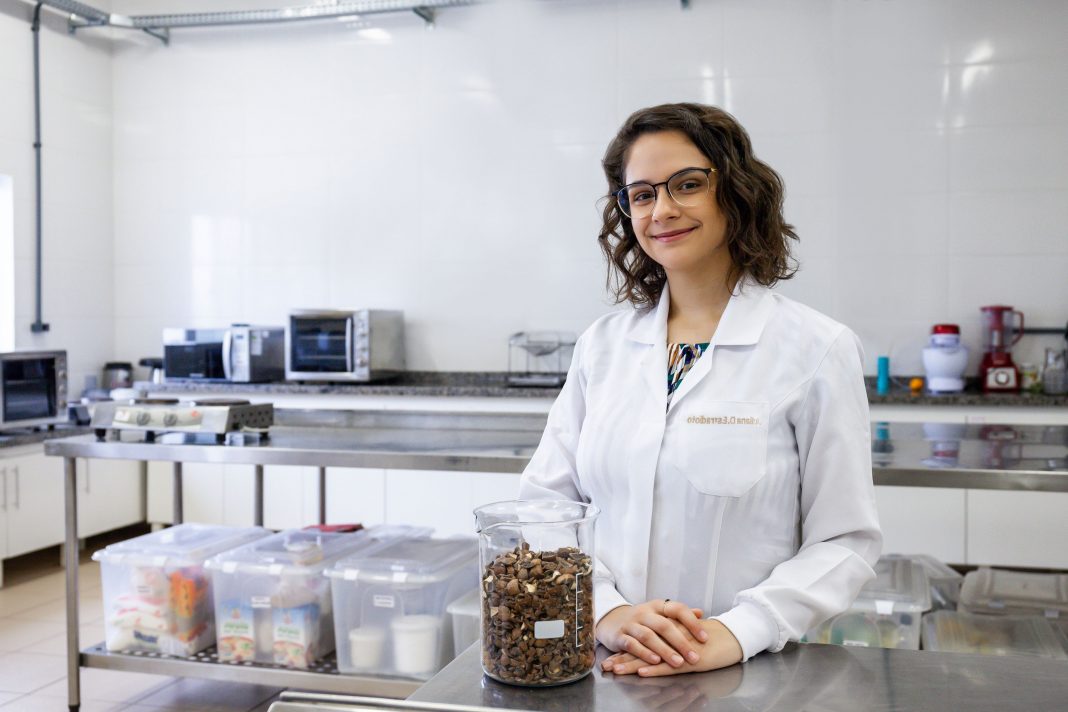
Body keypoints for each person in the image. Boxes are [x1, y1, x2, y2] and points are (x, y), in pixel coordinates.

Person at [517, 103, 882, 677]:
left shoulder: (815, 348)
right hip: (605, 666)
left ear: (736, 192)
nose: (662, 209)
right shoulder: (603, 346)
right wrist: (606, 611)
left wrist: (737, 632)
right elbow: (546, 506)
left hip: (745, 672)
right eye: (640, 194)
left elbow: (844, 540)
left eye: (687, 184)